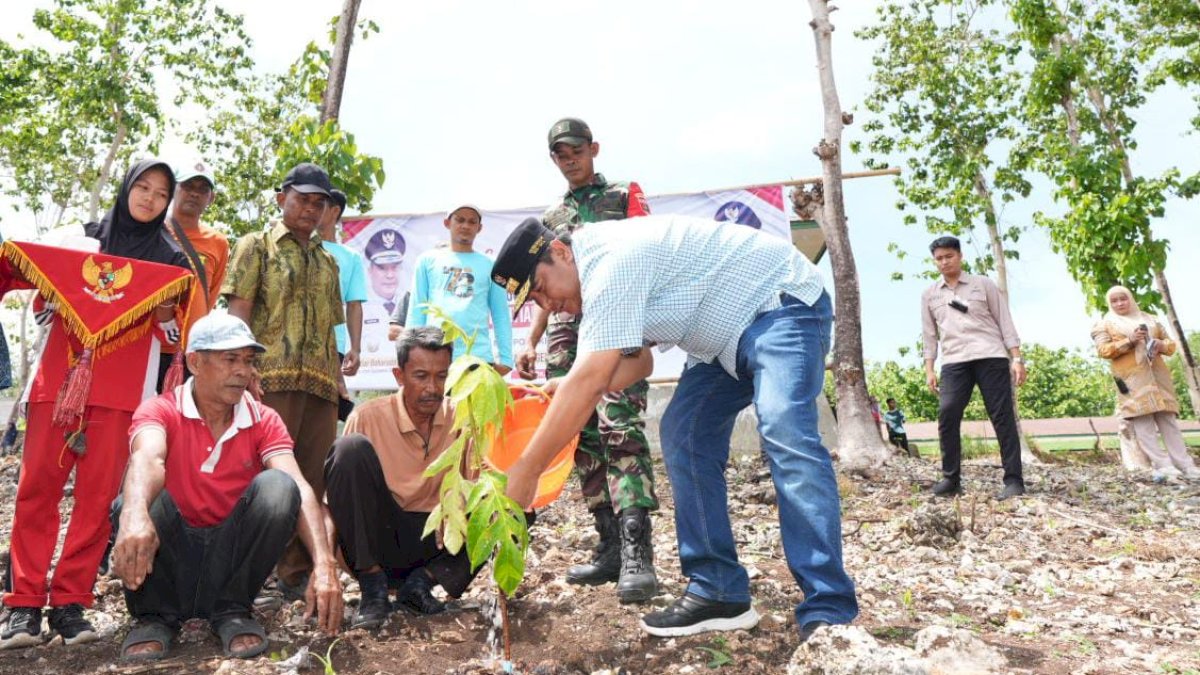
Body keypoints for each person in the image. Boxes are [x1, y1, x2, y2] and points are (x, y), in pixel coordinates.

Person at [490, 215, 858, 641]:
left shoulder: (610, 261)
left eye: (539, 289)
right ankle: (717, 588)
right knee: (684, 433)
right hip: (721, 346)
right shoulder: (597, 280)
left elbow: (590, 380)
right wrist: (568, 383)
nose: (546, 305)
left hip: (779, 306)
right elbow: (637, 363)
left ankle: (829, 609)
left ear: (559, 253)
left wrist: (527, 469)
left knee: (785, 431)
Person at [1, 159, 189, 649]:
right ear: (126, 188)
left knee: (94, 504)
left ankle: (70, 603)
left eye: (160, 193)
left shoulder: (170, 261)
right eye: (142, 187)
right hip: (58, 388)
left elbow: (174, 337)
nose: (148, 198)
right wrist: (51, 294)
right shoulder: (79, 242)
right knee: (35, 492)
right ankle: (21, 605)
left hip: (123, 396)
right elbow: (35, 299)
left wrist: (166, 309)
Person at [111, 313, 344, 661]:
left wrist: (324, 564)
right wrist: (133, 515)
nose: (243, 371)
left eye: (248, 361)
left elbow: (298, 484)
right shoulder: (160, 410)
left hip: (229, 562)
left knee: (279, 488)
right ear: (195, 362)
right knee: (134, 499)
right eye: (230, 359)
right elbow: (148, 458)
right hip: (169, 558)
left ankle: (232, 611)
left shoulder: (264, 419)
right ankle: (154, 617)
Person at [517, 117, 659, 604]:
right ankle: (610, 546)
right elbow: (545, 287)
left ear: (593, 149)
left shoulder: (623, 195)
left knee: (620, 427)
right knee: (581, 433)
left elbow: (645, 250)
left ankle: (639, 550)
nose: (569, 158)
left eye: (575, 149)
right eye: (559, 153)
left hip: (616, 320)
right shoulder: (550, 215)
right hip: (566, 332)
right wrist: (533, 340)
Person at [222, 162, 343, 597]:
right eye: (303, 199)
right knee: (263, 478)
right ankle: (244, 575)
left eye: (320, 202)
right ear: (281, 198)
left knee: (312, 478)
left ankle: (295, 575)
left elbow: (331, 327)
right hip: (268, 381)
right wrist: (242, 370)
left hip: (320, 384)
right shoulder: (256, 247)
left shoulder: (328, 262)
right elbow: (238, 313)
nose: (311, 209)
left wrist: (337, 379)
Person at [323, 327, 484, 629]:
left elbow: (479, 483)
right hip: (378, 541)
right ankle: (373, 589)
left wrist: (459, 506)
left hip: (437, 546)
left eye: (441, 376)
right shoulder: (367, 417)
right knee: (349, 448)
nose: (432, 388)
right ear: (399, 376)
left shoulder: (462, 416)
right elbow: (337, 503)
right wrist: (325, 565)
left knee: (512, 503)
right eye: (420, 376)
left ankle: (420, 586)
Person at [921, 235, 1026, 500]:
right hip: (954, 360)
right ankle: (951, 478)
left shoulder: (983, 285)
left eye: (949, 256)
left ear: (960, 256)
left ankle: (1013, 480)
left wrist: (1016, 358)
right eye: (939, 259)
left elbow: (1005, 320)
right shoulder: (930, 294)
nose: (944, 262)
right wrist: (929, 368)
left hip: (990, 355)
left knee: (1002, 416)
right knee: (947, 413)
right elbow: (929, 334)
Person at [1091, 285, 1200, 480]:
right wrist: (1129, 341)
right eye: (1114, 301)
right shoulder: (1105, 324)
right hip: (1131, 380)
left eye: (1123, 298)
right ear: (1109, 303)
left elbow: (1171, 344)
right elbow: (1103, 350)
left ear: (1130, 298)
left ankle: (1185, 465)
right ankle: (1163, 465)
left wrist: (1161, 345)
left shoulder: (1149, 319)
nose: (1119, 303)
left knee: (1169, 422)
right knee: (1144, 425)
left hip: (1159, 378)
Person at [405, 204, 513, 374]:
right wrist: (409, 357)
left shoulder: (492, 265)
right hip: (435, 356)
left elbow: (500, 314)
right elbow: (417, 309)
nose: (465, 226)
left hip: (477, 357)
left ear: (479, 228)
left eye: (472, 222)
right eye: (460, 220)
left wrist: (506, 359)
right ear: (447, 223)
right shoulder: (427, 260)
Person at [156, 160, 230, 390]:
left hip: (190, 350)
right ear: (173, 189)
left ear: (211, 198)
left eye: (203, 190)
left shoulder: (218, 243)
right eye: (188, 186)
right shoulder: (152, 231)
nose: (195, 194)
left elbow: (211, 295)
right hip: (149, 346)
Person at [318, 188, 366, 420]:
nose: (311, 209)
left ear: (335, 211)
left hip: (333, 347)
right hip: (295, 343)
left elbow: (354, 304)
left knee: (330, 409)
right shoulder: (298, 248)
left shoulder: (351, 257)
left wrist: (355, 348)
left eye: (320, 205)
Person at [364, 228, 405, 315]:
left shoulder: (410, 303)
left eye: (394, 267)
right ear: (370, 271)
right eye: (382, 268)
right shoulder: (360, 305)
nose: (390, 275)